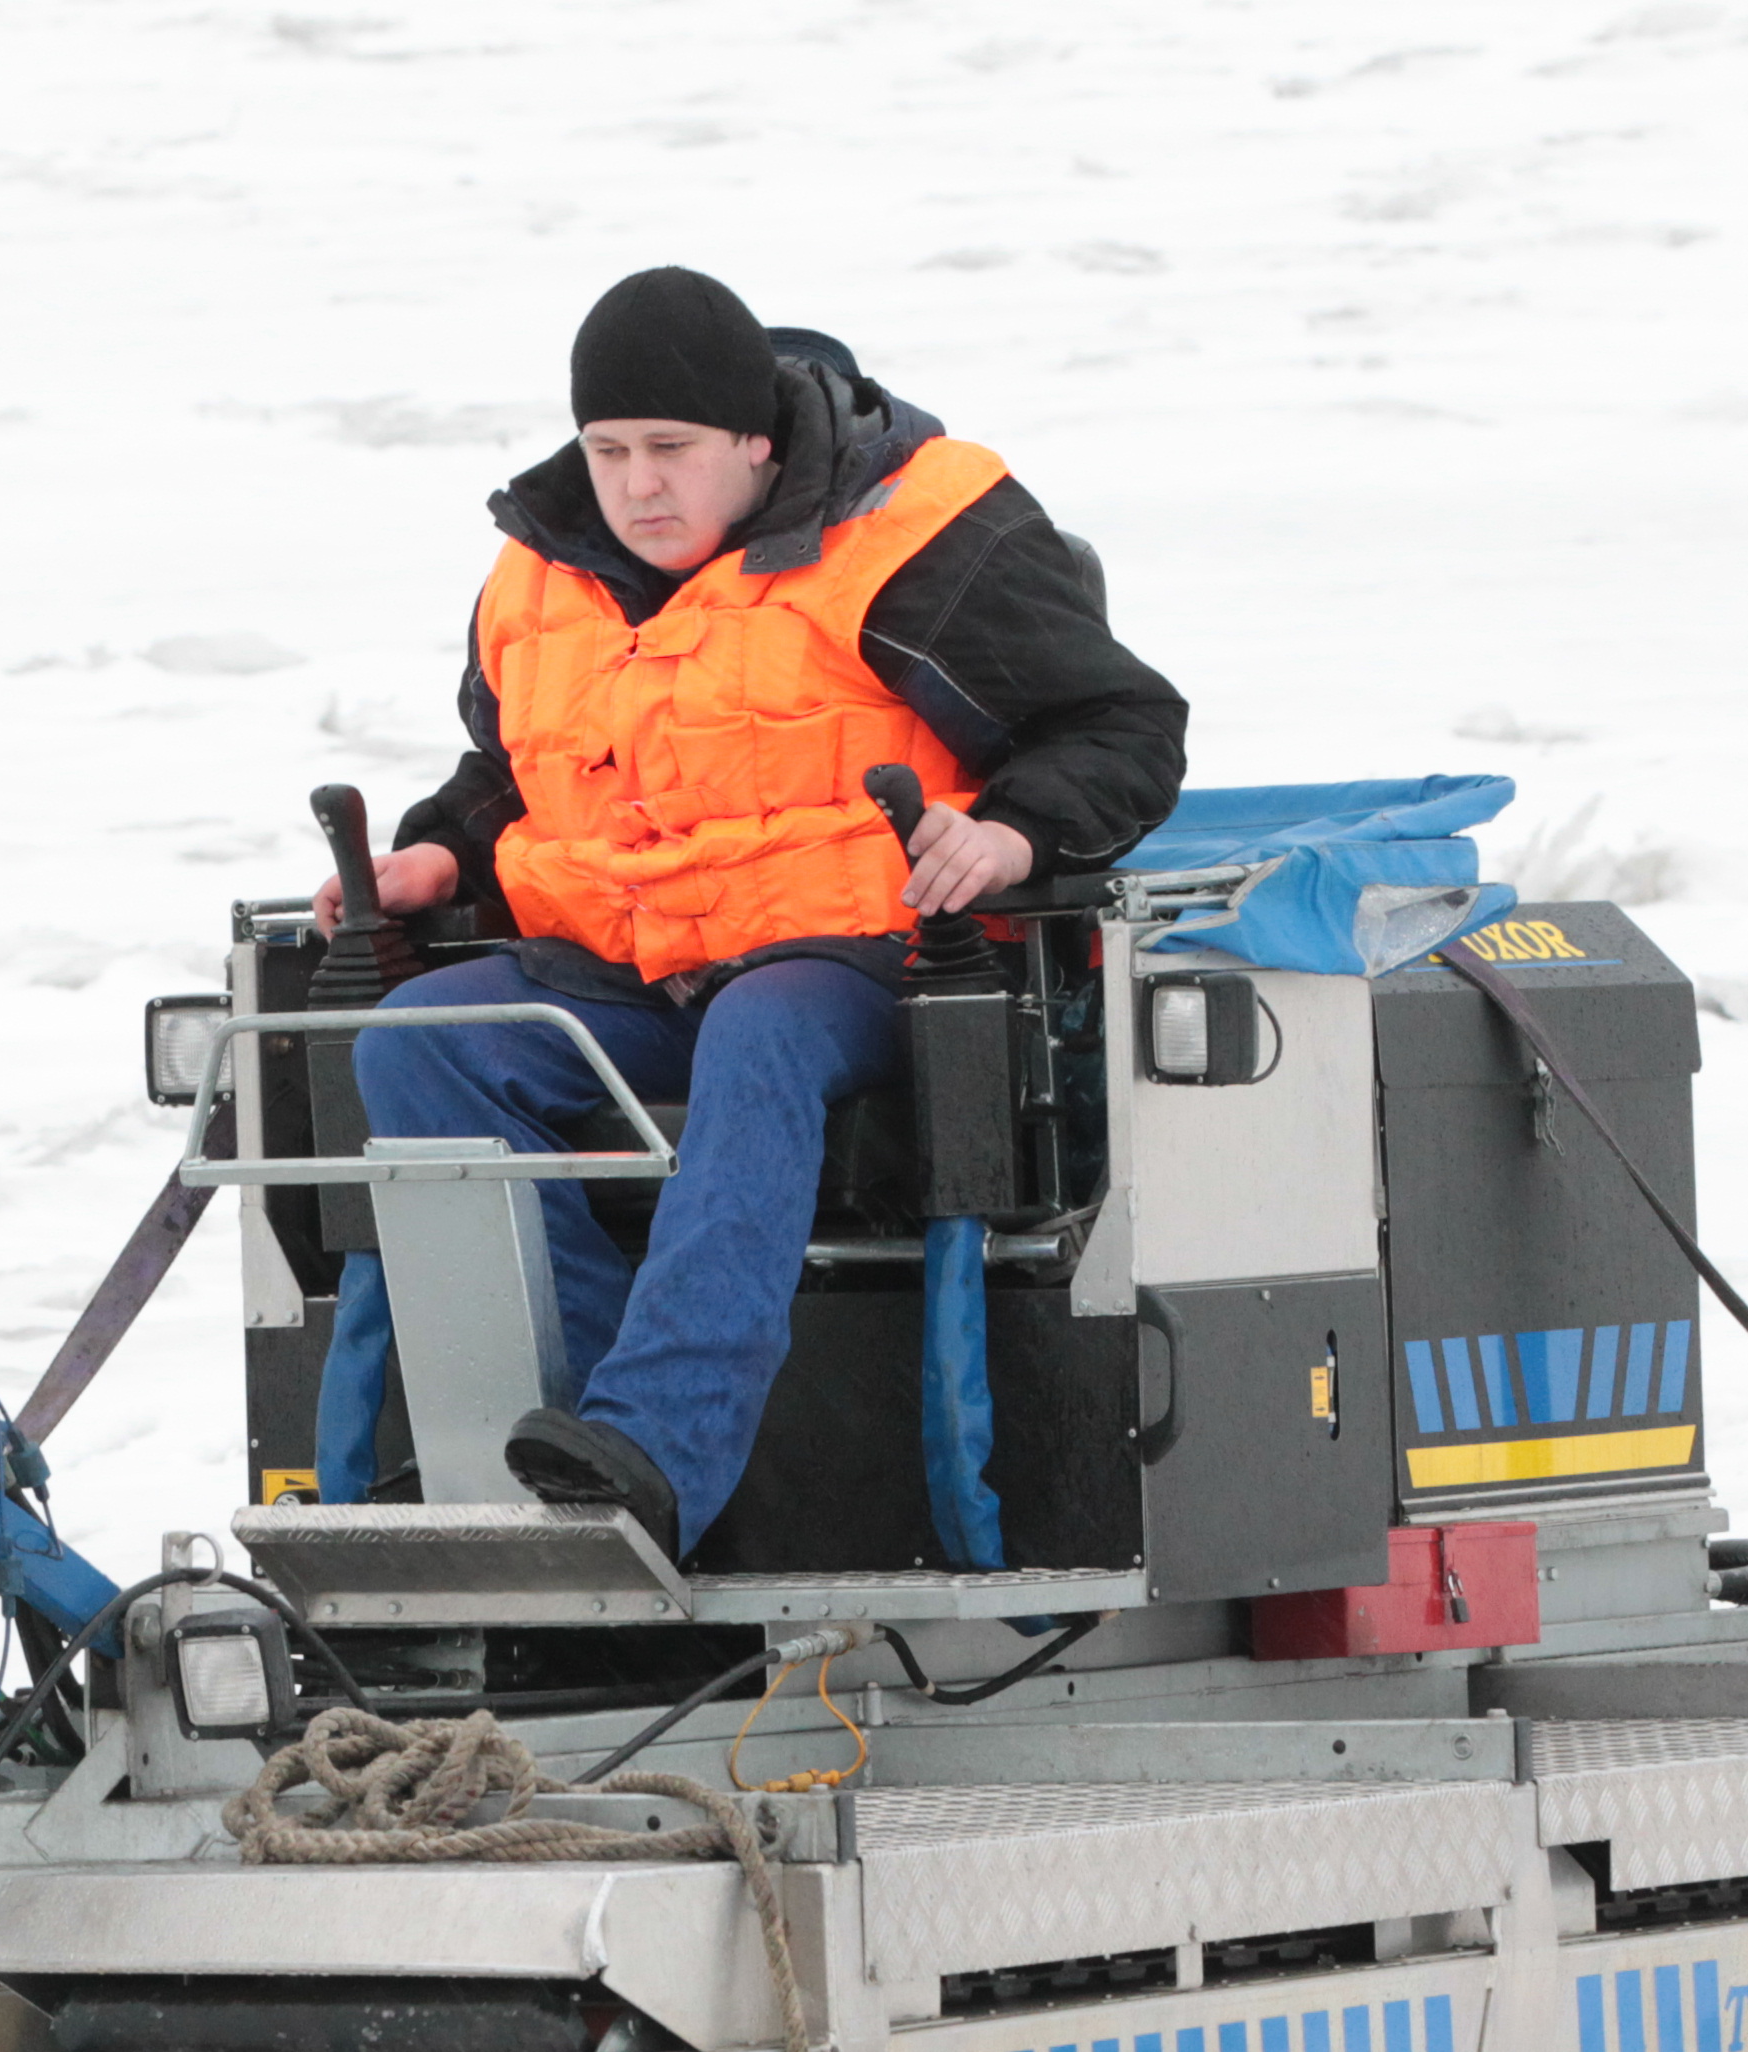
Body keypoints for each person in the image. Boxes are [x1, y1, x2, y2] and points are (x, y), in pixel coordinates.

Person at [313, 266, 1185, 1557]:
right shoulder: (538, 573)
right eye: (609, 450)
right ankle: (558, 1456)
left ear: (758, 442)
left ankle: (660, 1457)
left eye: (671, 449)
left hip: (875, 964)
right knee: (424, 1041)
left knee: (762, 1029)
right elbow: (520, 770)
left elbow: (1122, 726)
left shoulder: (917, 534)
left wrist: (1008, 836)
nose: (638, 485)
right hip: (631, 966)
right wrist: (440, 854)